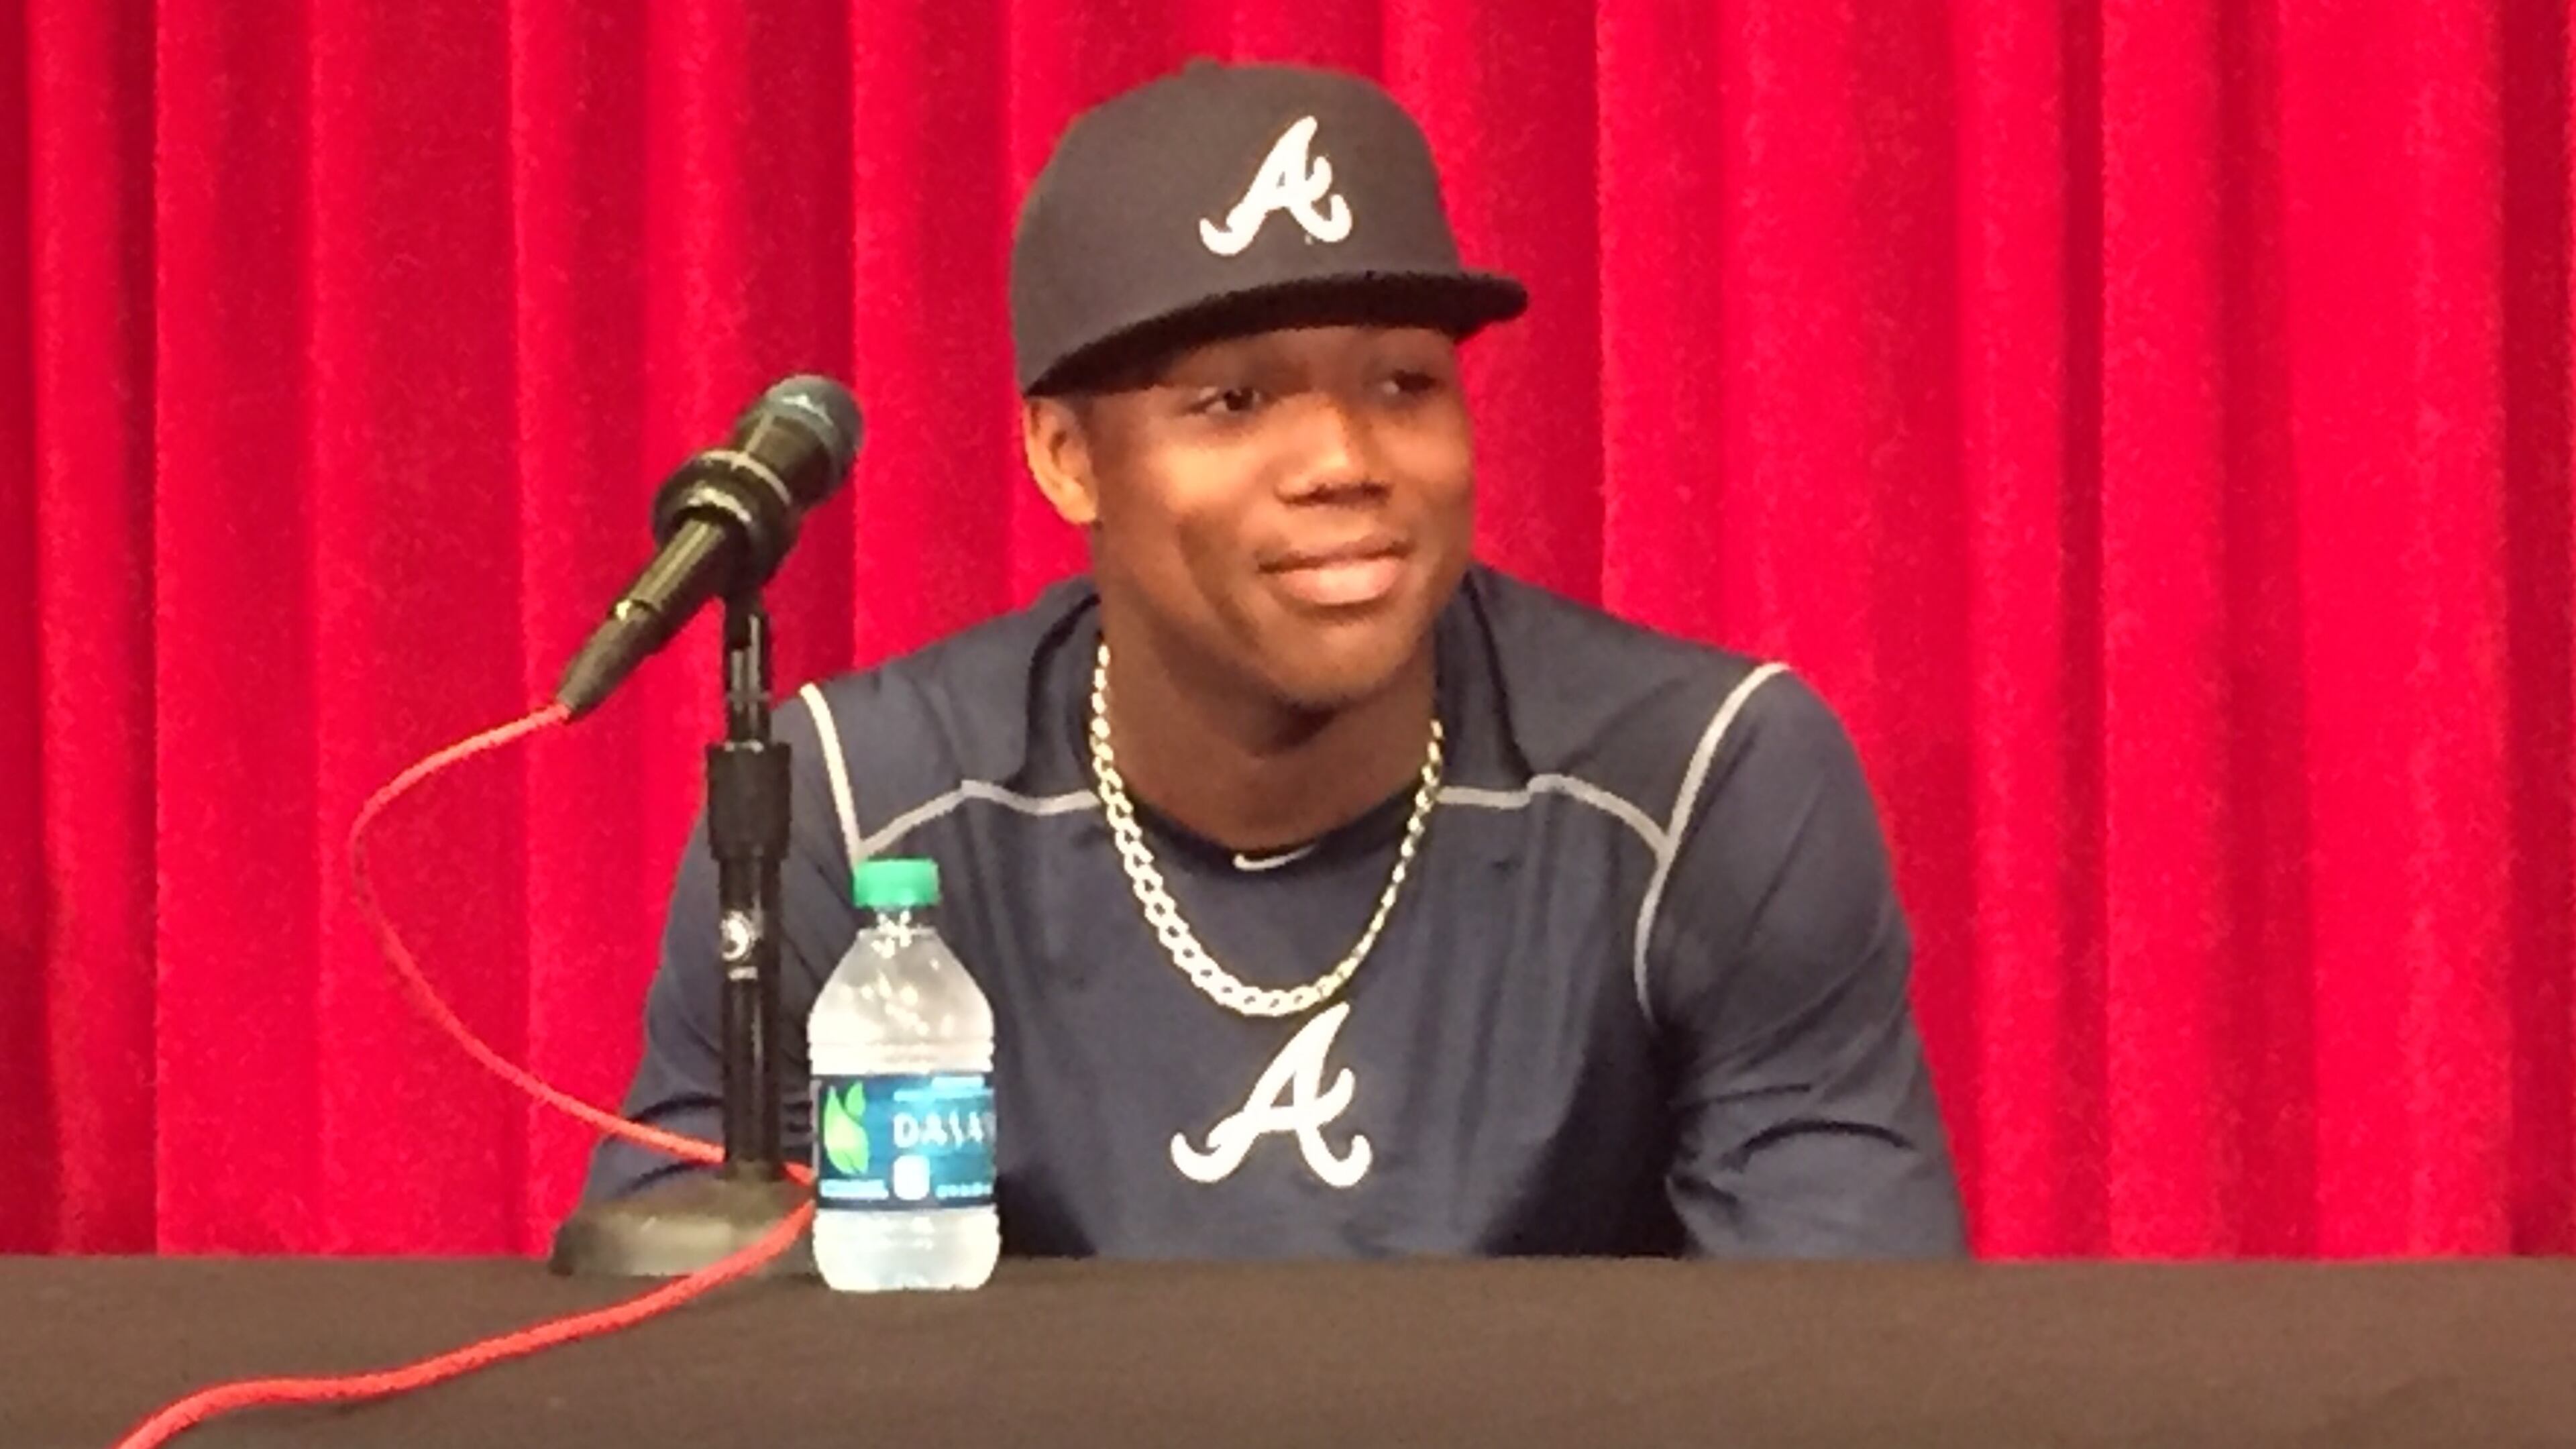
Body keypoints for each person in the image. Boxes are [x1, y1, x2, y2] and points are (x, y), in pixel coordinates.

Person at [585, 58, 1968, 1258]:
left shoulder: (1704, 787)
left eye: (1403, 384)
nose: (1347, 463)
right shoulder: (844, 807)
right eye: (1234, 401)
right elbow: (696, 1358)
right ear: (1069, 458)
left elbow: (1845, 1360)